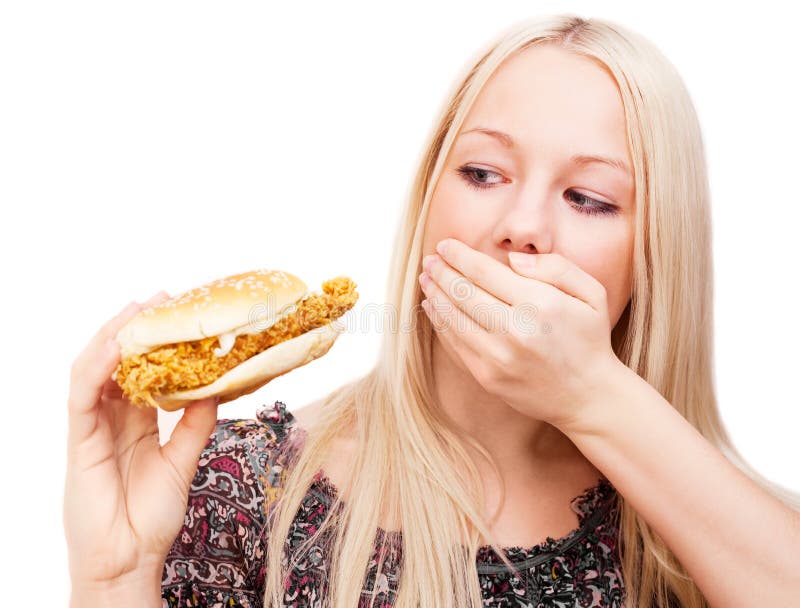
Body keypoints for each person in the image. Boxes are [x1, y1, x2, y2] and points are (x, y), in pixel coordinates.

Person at [64, 13, 800, 608]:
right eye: (482, 173)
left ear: (656, 257)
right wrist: (113, 580)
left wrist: (595, 396)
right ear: (428, 202)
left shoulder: (720, 535)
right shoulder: (249, 485)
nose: (523, 224)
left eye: (589, 198)